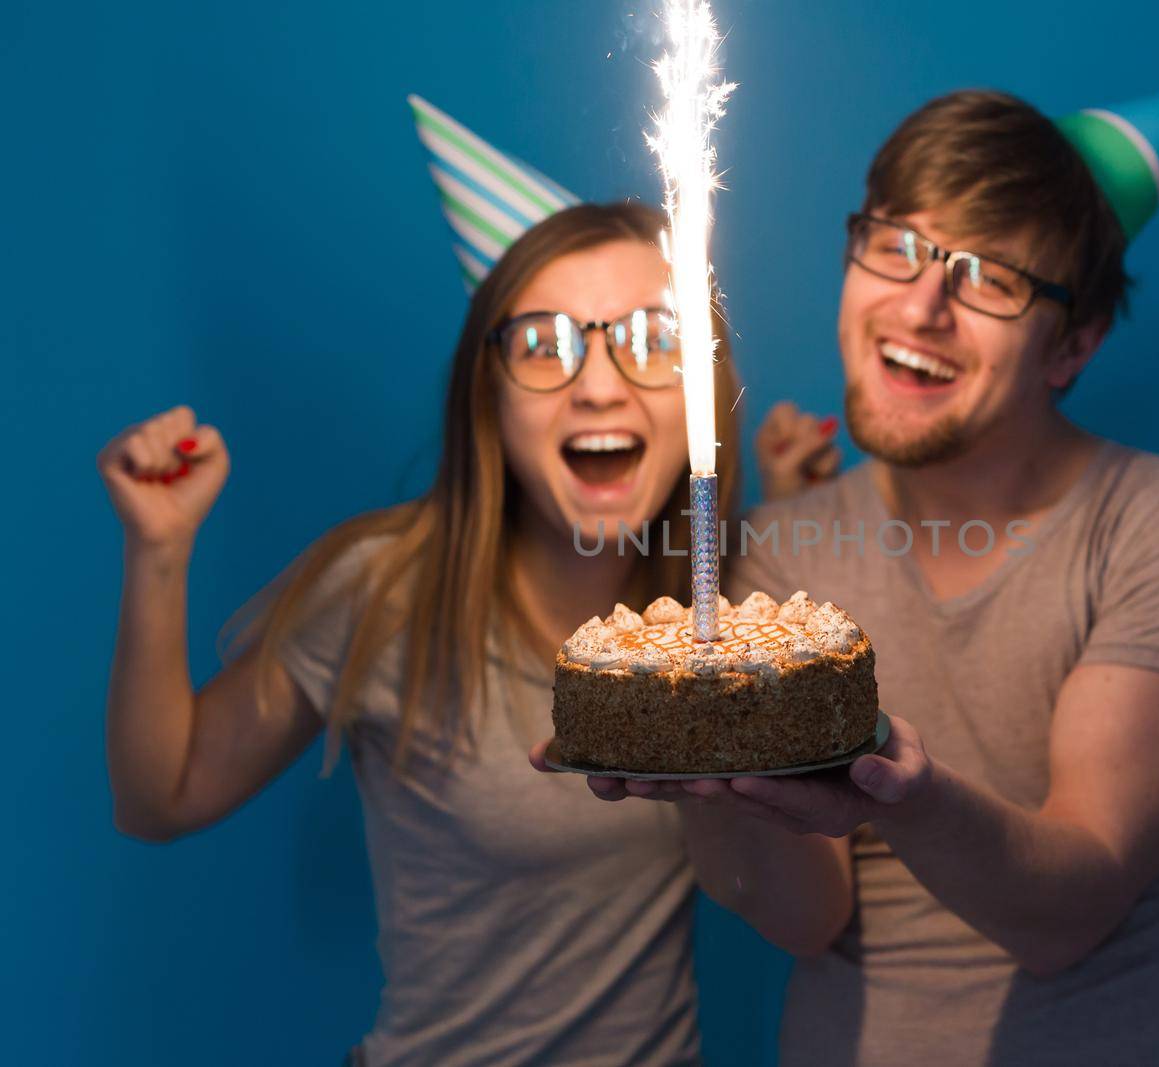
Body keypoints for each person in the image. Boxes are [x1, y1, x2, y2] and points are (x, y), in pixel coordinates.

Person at [553, 89, 1159, 1065]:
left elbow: (1064, 915)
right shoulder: (773, 560)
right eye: (895, 244)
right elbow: (805, 918)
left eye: (991, 277)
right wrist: (708, 770)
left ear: (1073, 344)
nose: (920, 305)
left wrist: (892, 791)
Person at [100, 201, 744, 1066]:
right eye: (546, 344)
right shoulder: (386, 589)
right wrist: (158, 549)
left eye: (654, 335)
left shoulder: (734, 617)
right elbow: (160, 797)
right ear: (488, 391)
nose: (598, 383)